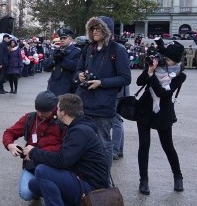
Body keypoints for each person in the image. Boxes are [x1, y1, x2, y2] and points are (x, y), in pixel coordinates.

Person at [22, 93, 111, 206]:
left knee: (42, 171)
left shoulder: (80, 131)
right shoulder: (80, 126)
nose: (55, 111)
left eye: (57, 108)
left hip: (93, 190)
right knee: (34, 185)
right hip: (87, 181)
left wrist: (34, 152)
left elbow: (62, 160)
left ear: (63, 112)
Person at [75, 15, 132, 169]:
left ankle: (103, 176)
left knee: (104, 142)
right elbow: (79, 69)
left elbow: (125, 78)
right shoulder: (88, 49)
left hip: (104, 103)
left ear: (107, 30)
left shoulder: (117, 50)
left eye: (99, 28)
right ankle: (88, 172)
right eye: (93, 28)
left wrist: (102, 83)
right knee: (84, 140)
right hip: (84, 102)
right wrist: (79, 75)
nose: (95, 31)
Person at [134, 41, 187, 195]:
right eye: (164, 57)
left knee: (168, 146)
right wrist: (149, 71)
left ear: (176, 61)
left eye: (168, 60)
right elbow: (139, 82)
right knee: (144, 146)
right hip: (144, 110)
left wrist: (152, 76)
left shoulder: (180, 76)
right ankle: (143, 180)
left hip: (163, 113)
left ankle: (178, 176)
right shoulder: (155, 67)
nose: (165, 61)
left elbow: (162, 93)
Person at [2, 91, 65, 201]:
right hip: (33, 164)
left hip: (53, 163)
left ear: (54, 108)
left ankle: (49, 191)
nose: (40, 114)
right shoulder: (30, 118)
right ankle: (37, 190)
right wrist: (10, 144)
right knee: (25, 194)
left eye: (44, 112)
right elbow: (9, 132)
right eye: (38, 110)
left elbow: (65, 147)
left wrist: (35, 152)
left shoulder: (62, 121)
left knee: (58, 191)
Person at [45, 28, 81, 96]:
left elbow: (74, 66)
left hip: (66, 86)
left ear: (70, 38)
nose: (62, 40)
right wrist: (54, 60)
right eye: (61, 38)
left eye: (64, 38)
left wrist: (62, 59)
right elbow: (46, 66)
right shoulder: (56, 50)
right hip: (53, 84)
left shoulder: (76, 51)